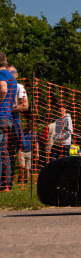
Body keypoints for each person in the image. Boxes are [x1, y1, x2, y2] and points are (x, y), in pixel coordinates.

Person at [7, 66, 28, 185]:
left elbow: (25, 106)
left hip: (13, 124)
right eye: (8, 72)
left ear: (17, 74)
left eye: (12, 72)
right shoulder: (3, 85)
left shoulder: (19, 87)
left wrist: (8, 109)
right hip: (4, 120)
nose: (10, 74)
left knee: (10, 153)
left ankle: (7, 182)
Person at [0, 53, 17, 190]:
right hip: (7, 118)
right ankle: (5, 184)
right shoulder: (12, 77)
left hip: (0, 116)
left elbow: (3, 89)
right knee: (3, 152)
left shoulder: (1, 75)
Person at [16, 119, 38, 184]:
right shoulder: (22, 132)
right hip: (21, 151)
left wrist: (37, 153)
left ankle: (26, 180)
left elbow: (36, 143)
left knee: (27, 168)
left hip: (29, 152)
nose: (30, 127)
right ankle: (20, 178)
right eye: (29, 126)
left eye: (31, 126)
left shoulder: (34, 134)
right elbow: (18, 141)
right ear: (27, 125)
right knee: (22, 166)